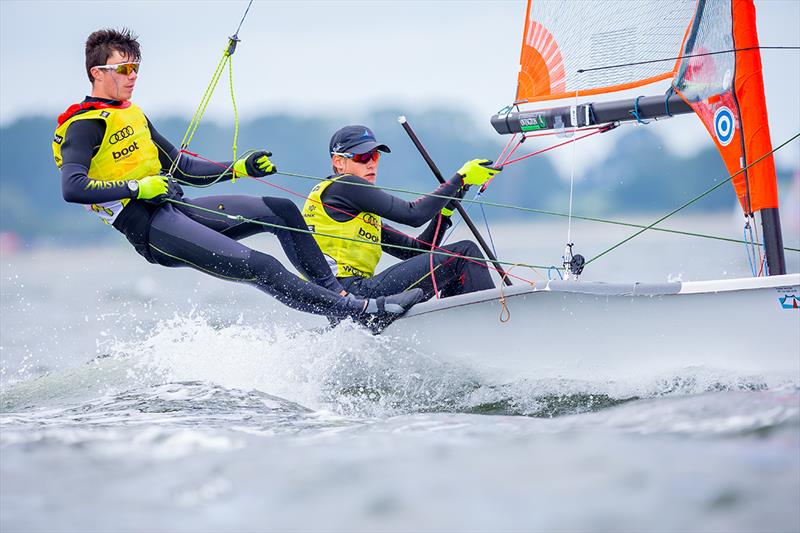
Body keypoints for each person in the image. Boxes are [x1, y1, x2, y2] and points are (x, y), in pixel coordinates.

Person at [52, 28, 422, 332]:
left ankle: (340, 301)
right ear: (97, 73)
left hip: (175, 209)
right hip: (151, 230)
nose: (132, 77)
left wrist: (239, 168)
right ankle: (364, 311)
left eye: (136, 69)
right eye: (123, 69)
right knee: (262, 266)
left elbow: (180, 166)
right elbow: (72, 187)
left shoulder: (130, 114)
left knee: (280, 210)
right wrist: (137, 188)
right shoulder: (84, 125)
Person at [301, 125, 500, 302]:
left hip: (352, 298)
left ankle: (461, 326)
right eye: (362, 157)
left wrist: (445, 211)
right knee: (464, 253)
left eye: (375, 156)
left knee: (450, 264)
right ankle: (489, 324)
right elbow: (413, 215)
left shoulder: (353, 211)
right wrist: (459, 178)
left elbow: (416, 251)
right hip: (351, 293)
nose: (371, 163)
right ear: (339, 162)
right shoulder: (344, 185)